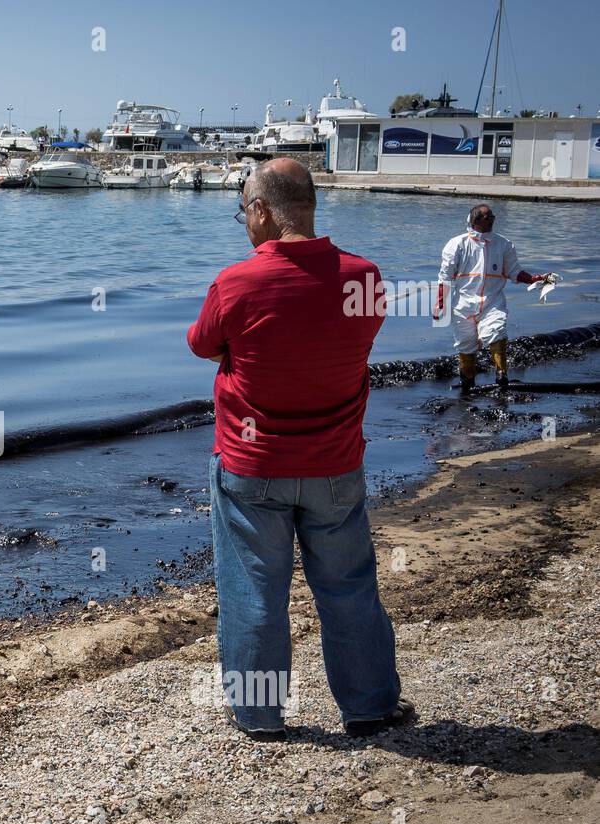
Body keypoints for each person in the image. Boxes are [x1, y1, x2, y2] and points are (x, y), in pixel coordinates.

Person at [186, 158, 412, 742]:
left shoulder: (237, 283)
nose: (244, 221)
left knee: (253, 588)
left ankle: (259, 715)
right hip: (335, 464)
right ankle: (369, 709)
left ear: (262, 210)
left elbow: (202, 345)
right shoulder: (364, 278)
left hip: (253, 465)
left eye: (243, 210)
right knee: (349, 587)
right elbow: (349, 339)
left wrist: (245, 350)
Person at [435, 204, 552, 392]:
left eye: (492, 216)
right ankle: (467, 383)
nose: (492, 219)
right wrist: (441, 302)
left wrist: (533, 279)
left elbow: (514, 271)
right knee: (465, 343)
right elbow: (445, 276)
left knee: (496, 332)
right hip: (463, 303)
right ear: (474, 220)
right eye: (487, 217)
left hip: (492, 301)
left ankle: (501, 377)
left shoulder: (504, 244)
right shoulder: (457, 244)